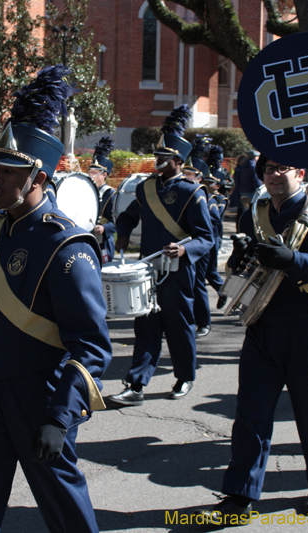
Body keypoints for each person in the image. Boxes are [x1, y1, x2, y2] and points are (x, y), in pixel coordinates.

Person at [0, 65, 112, 533]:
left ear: (37, 176)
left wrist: (61, 416)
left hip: (40, 394)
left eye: (5, 172)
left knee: (63, 505)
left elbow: (93, 346)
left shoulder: (68, 247)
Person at [201, 155, 308, 522]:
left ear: (301, 173)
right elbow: (247, 269)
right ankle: (239, 496)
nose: (274, 175)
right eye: (268, 169)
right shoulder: (258, 211)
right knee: (251, 415)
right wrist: (238, 260)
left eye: (282, 168)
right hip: (263, 326)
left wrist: (292, 259)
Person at [109, 105, 213, 406]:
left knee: (179, 326)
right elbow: (128, 216)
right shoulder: (145, 189)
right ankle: (136, 384)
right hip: (148, 269)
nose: (158, 161)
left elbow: (207, 237)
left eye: (164, 157)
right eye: (157, 156)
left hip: (178, 270)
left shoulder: (193, 192)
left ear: (178, 161)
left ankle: (184, 377)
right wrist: (123, 233)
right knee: (146, 326)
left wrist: (185, 249)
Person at [182, 135, 218, 337]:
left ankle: (204, 322)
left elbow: (214, 227)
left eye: (190, 174)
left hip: (202, 245)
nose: (186, 176)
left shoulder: (205, 197)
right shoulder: (183, 192)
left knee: (198, 283)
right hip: (185, 243)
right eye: (185, 172)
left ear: (199, 177)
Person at [204, 143, 229, 310]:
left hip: (213, 238)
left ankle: (222, 290)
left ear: (217, 185)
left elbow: (214, 219)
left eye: (209, 182)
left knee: (210, 270)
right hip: (206, 237)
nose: (206, 183)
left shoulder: (220, 200)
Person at [89, 136, 116, 263]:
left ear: (104, 175)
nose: (90, 175)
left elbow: (117, 221)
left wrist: (104, 228)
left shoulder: (111, 194)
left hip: (103, 241)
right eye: (89, 172)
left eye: (94, 172)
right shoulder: (87, 191)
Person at [236, 150, 261, 222]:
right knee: (254, 213)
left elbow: (238, 179)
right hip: (252, 192)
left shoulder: (242, 166)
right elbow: (257, 181)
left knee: (245, 212)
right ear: (255, 157)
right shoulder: (254, 167)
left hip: (243, 192)